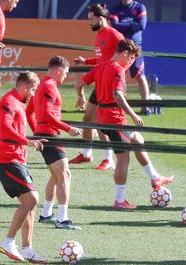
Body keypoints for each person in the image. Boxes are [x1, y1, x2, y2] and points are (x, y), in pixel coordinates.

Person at [79, 38, 173, 209]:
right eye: (130, 59)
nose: (130, 63)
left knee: (138, 140)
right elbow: (118, 95)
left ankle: (154, 177)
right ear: (125, 54)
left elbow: (80, 83)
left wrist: (81, 96)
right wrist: (133, 114)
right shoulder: (118, 70)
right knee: (123, 158)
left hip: (103, 118)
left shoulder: (101, 65)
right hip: (115, 120)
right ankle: (120, 200)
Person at [0, 71, 48, 264]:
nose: (34, 94)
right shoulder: (9, 102)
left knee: (30, 202)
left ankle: (27, 249)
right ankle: (8, 241)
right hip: (8, 158)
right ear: (25, 87)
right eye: (34, 90)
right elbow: (4, 128)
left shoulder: (14, 101)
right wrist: (27, 141)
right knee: (32, 198)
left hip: (16, 158)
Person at [26, 56, 82, 230]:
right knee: (65, 175)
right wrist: (68, 128)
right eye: (65, 73)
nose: (65, 77)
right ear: (58, 70)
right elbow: (49, 115)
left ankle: (46, 214)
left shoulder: (41, 85)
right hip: (50, 134)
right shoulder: (50, 87)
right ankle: (62, 219)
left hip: (45, 133)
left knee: (56, 176)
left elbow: (29, 112)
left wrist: (37, 131)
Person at [69, 3, 124, 170]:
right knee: (87, 119)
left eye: (91, 19)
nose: (89, 22)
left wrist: (116, 75)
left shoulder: (115, 35)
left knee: (100, 122)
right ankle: (86, 154)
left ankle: (109, 160)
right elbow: (102, 59)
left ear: (101, 18)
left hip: (108, 85)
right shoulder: (99, 35)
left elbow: (129, 55)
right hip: (100, 80)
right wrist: (86, 61)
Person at [109, 0, 150, 114]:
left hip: (136, 48)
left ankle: (145, 106)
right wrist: (132, 25)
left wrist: (124, 26)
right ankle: (120, 106)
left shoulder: (140, 7)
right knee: (120, 77)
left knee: (141, 77)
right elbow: (115, 25)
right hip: (120, 49)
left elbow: (142, 25)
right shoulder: (115, 9)